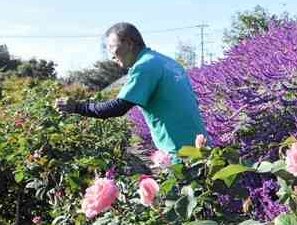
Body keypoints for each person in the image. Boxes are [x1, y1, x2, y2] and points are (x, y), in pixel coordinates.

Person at [55, 22, 207, 159]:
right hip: (201, 147)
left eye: (112, 48)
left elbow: (118, 107)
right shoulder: (167, 62)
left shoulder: (144, 66)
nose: (111, 56)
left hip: (181, 153)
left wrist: (76, 107)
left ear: (128, 43)